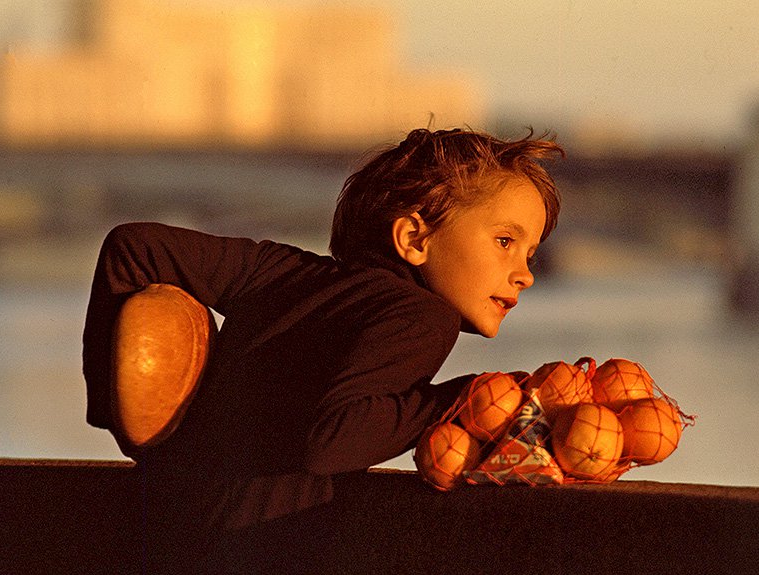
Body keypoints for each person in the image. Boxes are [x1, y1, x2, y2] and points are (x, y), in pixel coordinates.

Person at [82, 127, 563, 572]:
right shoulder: (424, 316)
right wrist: (462, 399)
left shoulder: (281, 273)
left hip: (159, 534)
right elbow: (332, 439)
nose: (525, 273)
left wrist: (126, 416)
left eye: (529, 253)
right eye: (504, 241)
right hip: (259, 549)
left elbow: (132, 246)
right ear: (414, 237)